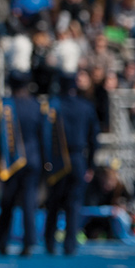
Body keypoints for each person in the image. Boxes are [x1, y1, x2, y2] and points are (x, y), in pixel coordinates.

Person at [45, 71, 99, 255]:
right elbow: (94, 138)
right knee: (73, 204)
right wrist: (90, 165)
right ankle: (70, 244)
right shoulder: (86, 106)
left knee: (53, 203)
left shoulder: (53, 106)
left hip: (57, 158)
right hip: (78, 158)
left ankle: (50, 243)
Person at [0, 72, 45, 256]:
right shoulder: (37, 106)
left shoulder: (5, 106)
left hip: (11, 160)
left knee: (7, 202)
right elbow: (43, 136)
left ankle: (2, 240)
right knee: (29, 203)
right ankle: (29, 241)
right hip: (33, 159)